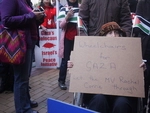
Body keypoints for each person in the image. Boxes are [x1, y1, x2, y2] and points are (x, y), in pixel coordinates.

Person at [68, 22, 144, 113]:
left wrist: (141, 70)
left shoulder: (131, 55)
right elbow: (82, 72)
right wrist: (75, 66)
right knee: (99, 100)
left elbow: (139, 80)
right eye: (110, 33)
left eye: (117, 33)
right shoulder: (92, 54)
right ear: (103, 38)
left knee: (121, 103)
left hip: (123, 94)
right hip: (98, 93)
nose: (114, 36)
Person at [0, 0, 45, 112]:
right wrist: (31, 15)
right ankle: (23, 109)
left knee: (25, 77)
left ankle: (26, 101)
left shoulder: (25, 1)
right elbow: (6, 20)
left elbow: (28, 20)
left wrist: (38, 18)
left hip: (28, 41)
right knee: (21, 78)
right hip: (20, 44)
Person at [133, 0, 150, 112]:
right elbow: (137, 30)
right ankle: (142, 107)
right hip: (145, 50)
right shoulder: (142, 3)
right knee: (144, 83)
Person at [58, 0, 79, 90]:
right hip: (67, 38)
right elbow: (61, 25)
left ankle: (78, 80)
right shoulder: (63, 8)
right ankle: (61, 81)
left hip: (78, 38)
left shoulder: (81, 7)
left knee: (78, 60)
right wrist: (67, 17)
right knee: (65, 60)